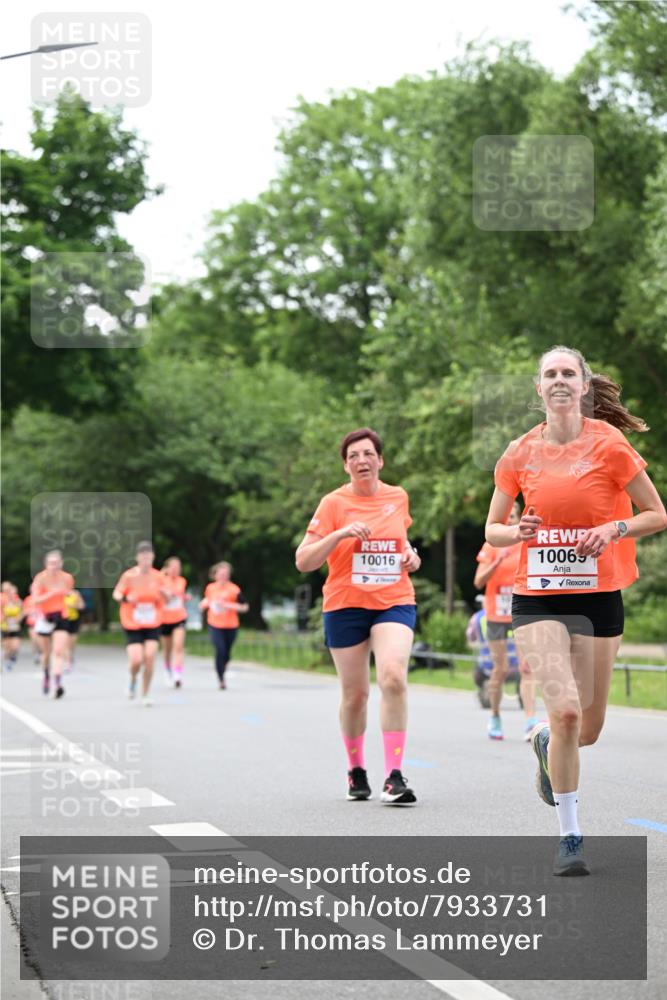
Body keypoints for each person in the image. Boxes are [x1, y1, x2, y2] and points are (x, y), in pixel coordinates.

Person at [485, 346, 666, 875]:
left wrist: (615, 527)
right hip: (538, 594)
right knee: (564, 710)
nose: (559, 381)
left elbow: (657, 514)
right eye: (550, 374)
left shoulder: (610, 444)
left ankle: (544, 742)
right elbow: (492, 530)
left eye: (568, 373)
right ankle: (570, 836)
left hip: (597, 593)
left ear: (584, 387)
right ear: (538, 389)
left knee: (586, 729)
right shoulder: (518, 453)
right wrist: (514, 532)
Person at [296, 428, 421, 805]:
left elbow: (402, 545)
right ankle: (356, 770)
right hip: (345, 604)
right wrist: (340, 535)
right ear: (346, 465)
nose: (361, 461)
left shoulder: (398, 497)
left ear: (380, 460)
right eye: (353, 456)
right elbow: (304, 560)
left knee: (394, 677)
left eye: (368, 454)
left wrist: (412, 557)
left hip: (393, 600)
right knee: (355, 695)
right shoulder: (333, 503)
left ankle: (394, 776)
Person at [474, 500, 538, 740]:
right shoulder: (492, 544)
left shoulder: (528, 542)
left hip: (521, 611)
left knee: (526, 667)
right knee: (500, 669)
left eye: (514, 515)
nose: (510, 519)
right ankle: (495, 715)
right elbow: (478, 581)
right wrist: (495, 563)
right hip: (495, 614)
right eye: (507, 515)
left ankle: (530, 721)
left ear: (520, 517)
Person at [112, 542, 169, 706]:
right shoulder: (129, 576)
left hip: (152, 621)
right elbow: (117, 593)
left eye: (149, 557)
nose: (146, 560)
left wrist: (166, 593)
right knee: (136, 660)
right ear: (137, 558)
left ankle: (145, 693)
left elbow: (169, 597)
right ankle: (132, 678)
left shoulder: (159, 577)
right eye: (142, 557)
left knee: (150, 657)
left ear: (153, 558)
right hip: (132, 622)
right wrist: (126, 598)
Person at [30, 551, 75, 699]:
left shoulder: (67, 578)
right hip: (45, 618)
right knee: (47, 653)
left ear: (61, 563)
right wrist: (52, 593)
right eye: (51, 563)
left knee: (58, 651)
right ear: (46, 564)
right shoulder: (40, 578)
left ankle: (57, 685)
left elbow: (69, 594)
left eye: (57, 563)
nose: (54, 566)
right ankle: (46, 676)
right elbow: (35, 600)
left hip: (61, 616)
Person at [199, 562, 249, 689]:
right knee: (220, 650)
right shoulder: (210, 588)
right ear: (215, 575)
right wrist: (203, 604)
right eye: (220, 574)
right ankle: (221, 679)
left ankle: (223, 667)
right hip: (215, 624)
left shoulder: (234, 589)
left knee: (226, 653)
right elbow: (208, 600)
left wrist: (227, 605)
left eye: (225, 574)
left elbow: (244, 607)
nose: (223, 577)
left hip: (231, 625)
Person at [160, 557, 191, 688]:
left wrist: (185, 598)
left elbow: (179, 596)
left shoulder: (182, 581)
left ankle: (177, 674)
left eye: (178, 567)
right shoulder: (161, 580)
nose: (176, 569)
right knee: (167, 649)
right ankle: (167, 671)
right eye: (173, 567)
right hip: (164, 618)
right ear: (167, 568)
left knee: (178, 646)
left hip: (179, 617)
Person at [62, 589, 85, 672]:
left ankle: (70, 656)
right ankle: (67, 662)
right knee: (65, 642)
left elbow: (82, 606)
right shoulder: (58, 593)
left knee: (72, 642)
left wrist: (73, 606)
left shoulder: (75, 593)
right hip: (63, 619)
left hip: (74, 620)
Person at [1, 583, 24, 669]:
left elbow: (22, 610)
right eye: (5, 589)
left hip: (15, 626)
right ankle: (8, 660)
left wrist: (19, 618)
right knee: (7, 645)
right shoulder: (1, 598)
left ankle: (12, 658)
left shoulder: (16, 599)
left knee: (16, 646)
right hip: (5, 625)